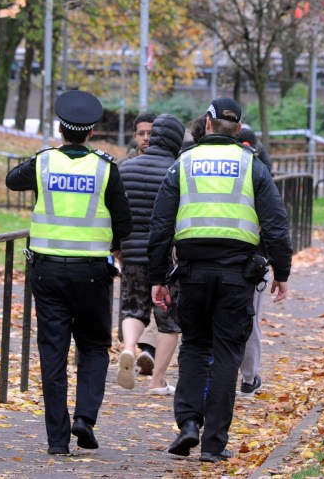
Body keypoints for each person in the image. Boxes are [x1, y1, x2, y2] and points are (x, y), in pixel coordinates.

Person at [148, 98, 293, 462]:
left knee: (195, 346)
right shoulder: (253, 166)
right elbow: (276, 224)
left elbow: (161, 225)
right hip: (237, 275)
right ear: (238, 129)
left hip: (193, 273)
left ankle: (188, 424)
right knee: (228, 353)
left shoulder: (184, 163)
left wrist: (158, 276)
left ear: (208, 125)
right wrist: (282, 271)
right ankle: (213, 442)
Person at [5, 90, 132, 455]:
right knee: (93, 346)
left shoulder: (43, 164)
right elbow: (125, 223)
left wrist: (42, 158)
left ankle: (57, 441)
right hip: (92, 272)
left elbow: (13, 180)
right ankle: (85, 419)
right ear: (91, 132)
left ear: (60, 128)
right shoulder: (105, 168)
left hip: (46, 273)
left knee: (53, 352)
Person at [116, 114, 186, 395]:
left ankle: (130, 347)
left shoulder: (127, 169)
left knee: (134, 308)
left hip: (130, 253)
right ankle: (157, 381)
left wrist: (117, 245)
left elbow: (116, 211)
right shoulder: (176, 171)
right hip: (165, 259)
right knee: (169, 322)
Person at [234, 126, 273, 398]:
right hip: (254, 261)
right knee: (250, 319)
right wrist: (279, 267)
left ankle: (214, 373)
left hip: (215, 256)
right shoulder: (260, 173)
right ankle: (249, 377)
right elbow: (275, 223)